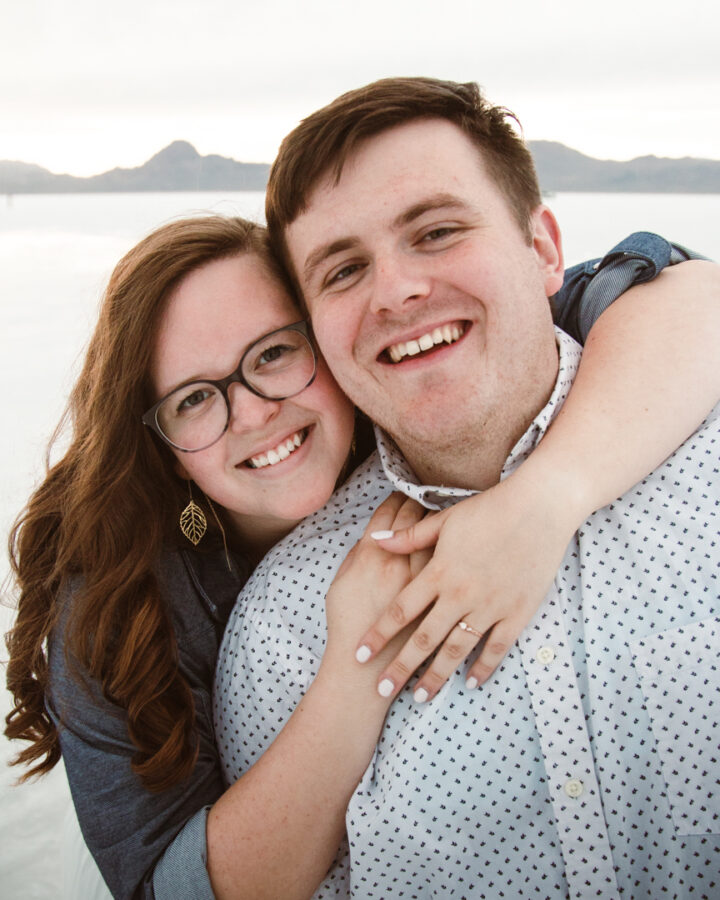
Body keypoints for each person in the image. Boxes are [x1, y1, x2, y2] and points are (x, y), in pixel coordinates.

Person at [3, 177, 715, 900]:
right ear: (163, 449)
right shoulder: (118, 606)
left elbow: (682, 290)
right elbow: (170, 891)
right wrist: (357, 665)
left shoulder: (413, 387)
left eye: (274, 354)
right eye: (193, 399)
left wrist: (543, 500)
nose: (253, 412)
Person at [215, 77, 720, 899]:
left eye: (438, 231)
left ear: (545, 250)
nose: (397, 291)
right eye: (342, 272)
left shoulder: (706, 454)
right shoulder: (286, 633)